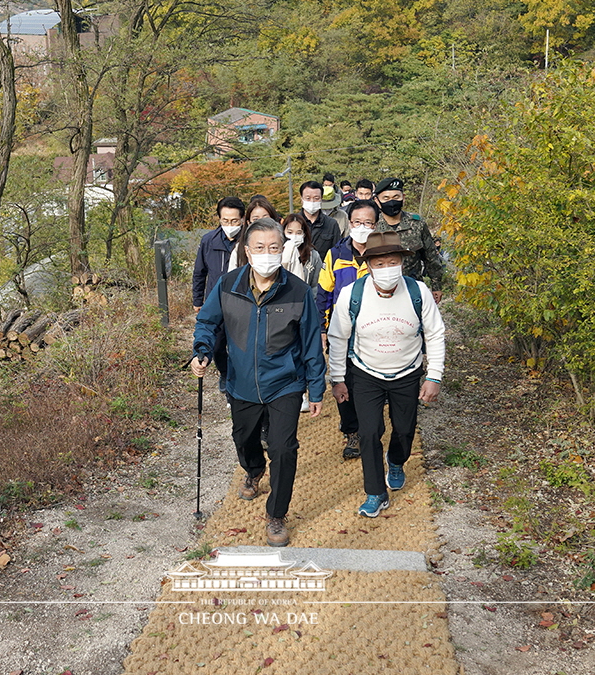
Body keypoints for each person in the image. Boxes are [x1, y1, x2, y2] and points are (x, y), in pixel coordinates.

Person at [191, 218, 327, 548]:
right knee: (244, 438)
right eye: (260, 248)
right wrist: (202, 351)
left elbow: (311, 341)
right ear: (247, 252)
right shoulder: (228, 285)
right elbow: (207, 323)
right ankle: (253, 469)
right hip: (240, 382)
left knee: (283, 448)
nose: (267, 254)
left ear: (283, 251)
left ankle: (277, 514)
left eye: (274, 248)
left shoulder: (298, 292)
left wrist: (316, 387)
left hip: (285, 383)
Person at [327, 230, 446, 518]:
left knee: (404, 429)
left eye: (392, 262)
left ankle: (396, 460)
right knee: (368, 433)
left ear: (402, 263)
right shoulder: (351, 295)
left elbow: (435, 333)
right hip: (365, 373)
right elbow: (338, 337)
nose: (386, 269)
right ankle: (375, 492)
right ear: (367, 266)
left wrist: (434, 376)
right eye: (379, 264)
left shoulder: (418, 292)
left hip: (406, 372)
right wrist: (338, 378)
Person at [315, 200, 380, 459]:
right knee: (343, 381)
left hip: (374, 332)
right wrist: (322, 328)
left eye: (368, 223)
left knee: (370, 383)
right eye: (357, 222)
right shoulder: (335, 255)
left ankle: (371, 429)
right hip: (342, 332)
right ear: (349, 223)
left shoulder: (383, 254)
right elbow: (324, 294)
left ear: (376, 226)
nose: (362, 227)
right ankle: (352, 431)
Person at [192, 196, 245, 392]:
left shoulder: (248, 241)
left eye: (234, 221)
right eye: (225, 221)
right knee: (216, 345)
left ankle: (240, 382)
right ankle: (225, 373)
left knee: (240, 345)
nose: (229, 225)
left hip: (242, 303)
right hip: (217, 302)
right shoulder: (209, 241)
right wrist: (198, 300)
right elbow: (200, 272)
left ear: (242, 219)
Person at [374, 177, 445, 302]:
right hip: (380, 293)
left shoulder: (417, 223)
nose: (391, 202)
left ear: (403, 197)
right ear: (377, 201)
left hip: (413, 289)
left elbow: (431, 256)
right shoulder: (373, 227)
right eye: (386, 198)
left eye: (396, 197)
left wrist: (436, 286)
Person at [232, 195, 283, 269]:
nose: (261, 223)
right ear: (248, 222)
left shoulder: (289, 248)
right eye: (256, 219)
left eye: (273, 248)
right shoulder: (239, 248)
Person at [299, 181, 342, 260]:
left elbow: (336, 252)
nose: (312, 202)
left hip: (323, 269)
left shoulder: (331, 224)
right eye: (308, 198)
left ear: (321, 199)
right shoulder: (293, 222)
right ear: (301, 199)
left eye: (316, 198)